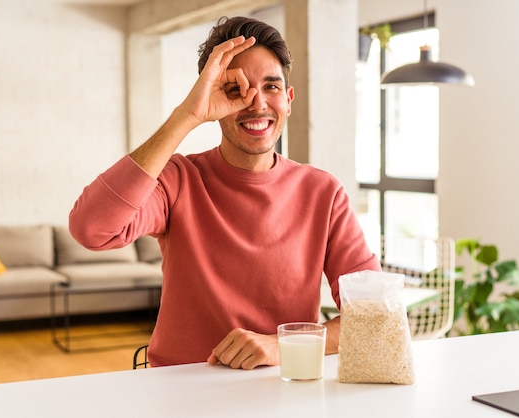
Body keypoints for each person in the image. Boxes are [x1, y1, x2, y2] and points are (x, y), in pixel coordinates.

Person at [69, 16, 380, 370]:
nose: (257, 104)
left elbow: (375, 312)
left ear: (289, 99)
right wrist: (187, 115)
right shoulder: (178, 180)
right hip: (180, 393)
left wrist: (285, 345)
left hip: (282, 391)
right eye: (236, 90)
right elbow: (90, 229)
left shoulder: (323, 193)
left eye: (271, 87)